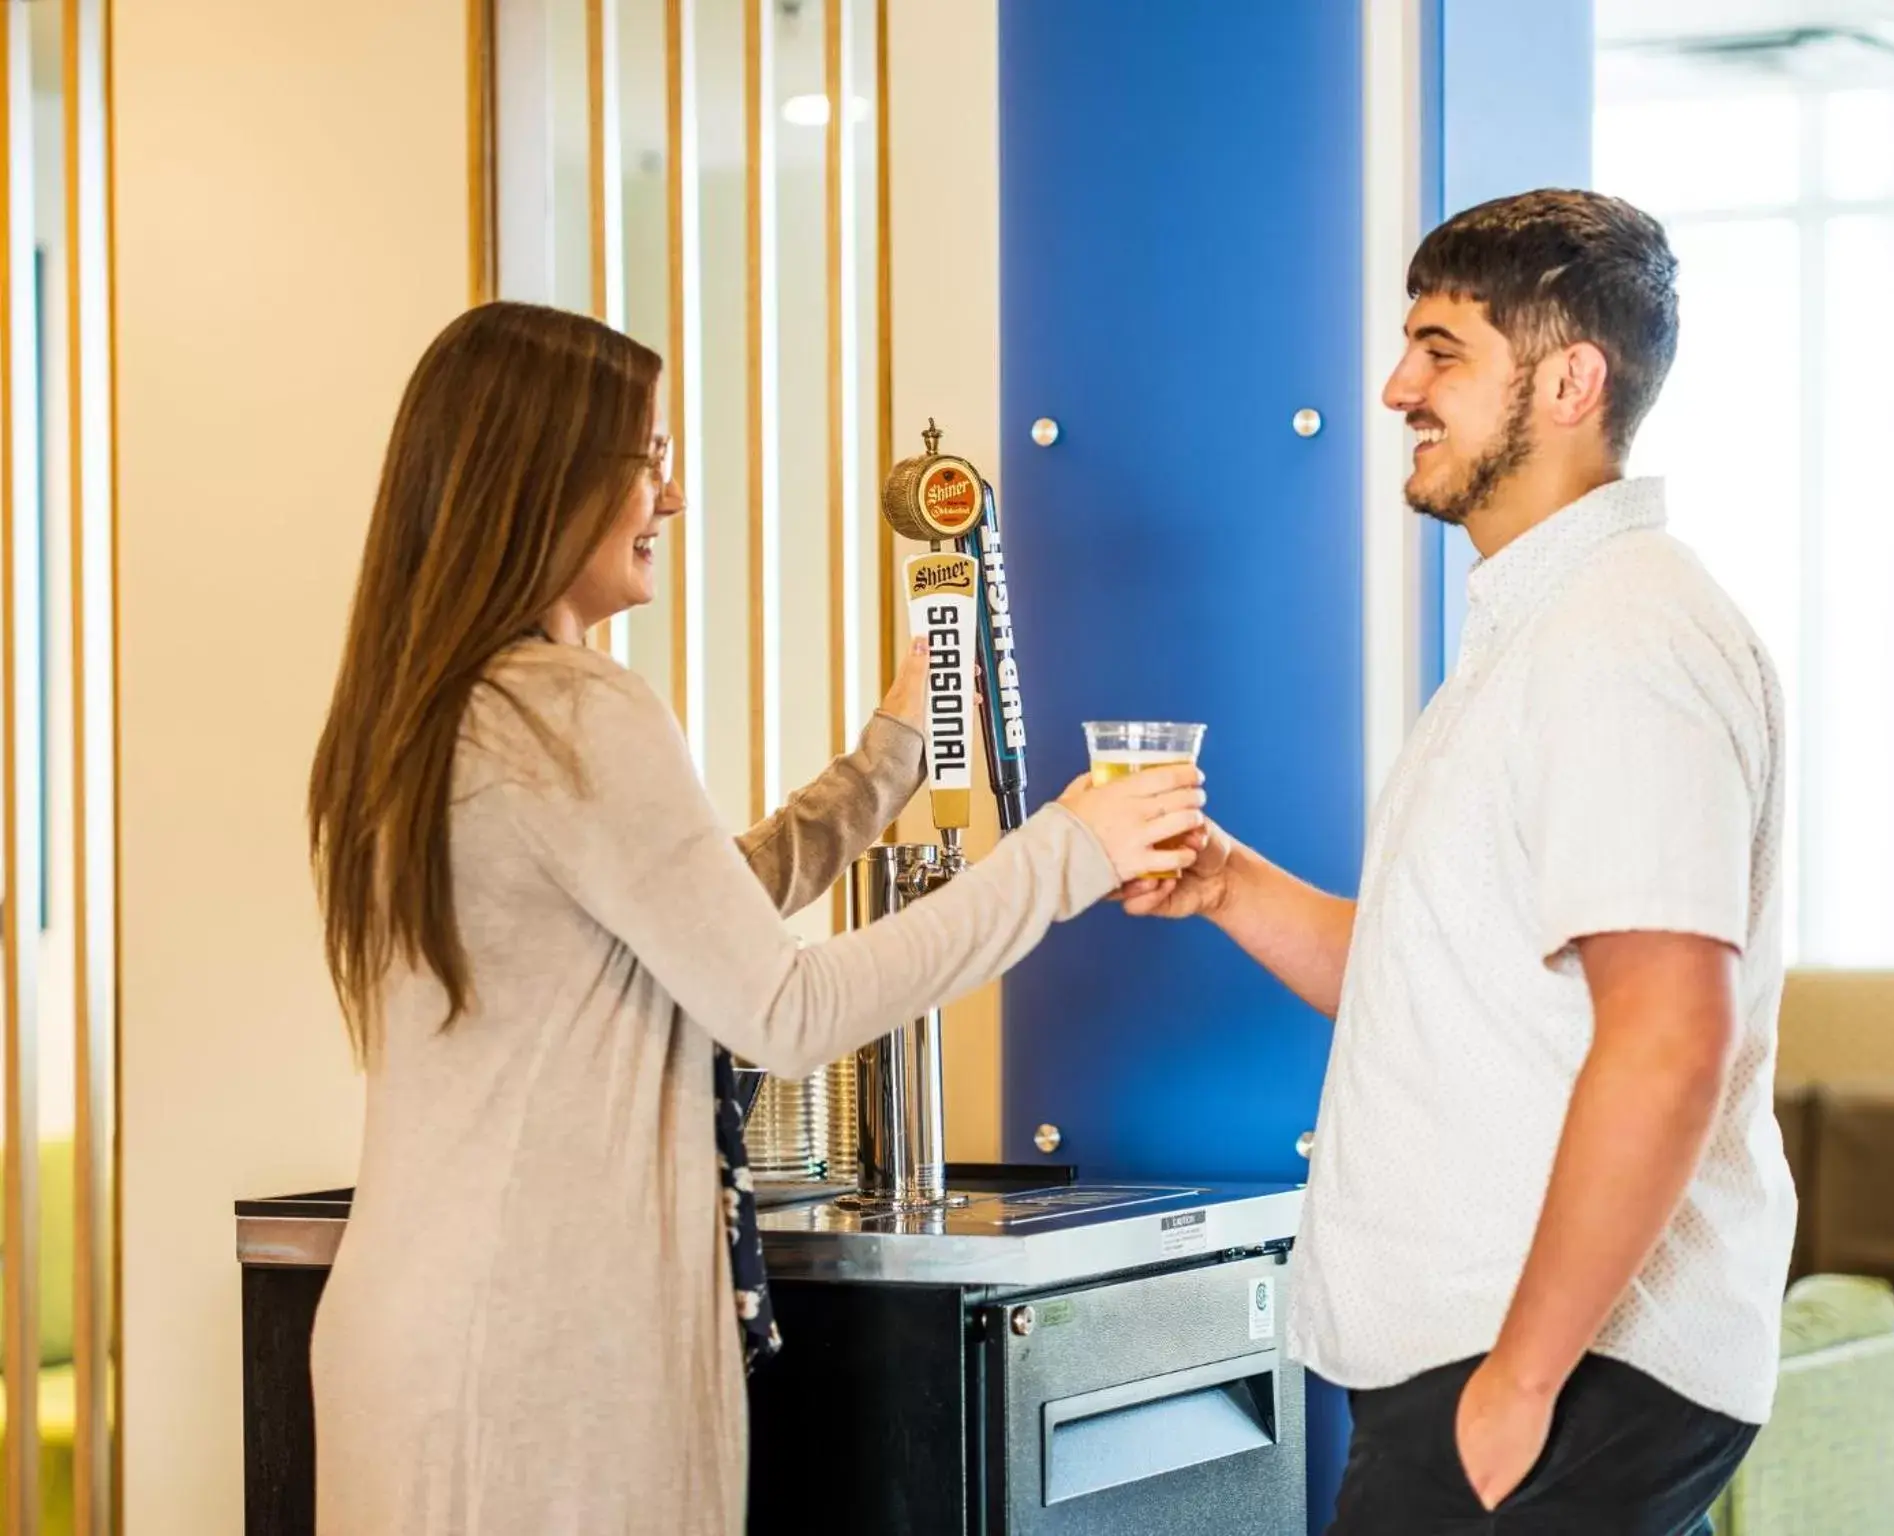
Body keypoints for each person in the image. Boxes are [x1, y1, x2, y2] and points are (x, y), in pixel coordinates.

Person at [304, 300, 1204, 1535]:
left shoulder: (431, 715)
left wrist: (893, 747)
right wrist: (1065, 853)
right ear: (543, 474)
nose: (667, 500)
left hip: (421, 1332)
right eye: (650, 460)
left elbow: (691, 905)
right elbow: (782, 1009)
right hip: (538, 1350)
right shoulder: (574, 709)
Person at [1126, 190, 1795, 1533]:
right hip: (1508, 1369)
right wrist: (1230, 885)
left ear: (1566, 381)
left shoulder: (1622, 642)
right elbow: (1454, 992)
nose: (1395, 388)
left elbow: (1671, 1036)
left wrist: (1522, 1380)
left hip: (1550, 1373)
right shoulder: (1545, 634)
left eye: (1441, 351)